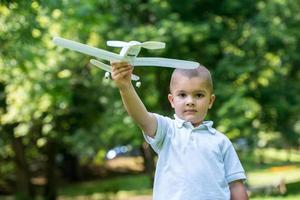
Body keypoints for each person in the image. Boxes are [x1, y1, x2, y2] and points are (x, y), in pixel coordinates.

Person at [110, 61, 248, 200]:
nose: (190, 101)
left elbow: (236, 185)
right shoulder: (167, 130)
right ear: (172, 100)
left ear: (210, 101)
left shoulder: (221, 141)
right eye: (182, 95)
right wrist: (125, 87)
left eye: (199, 95)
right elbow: (142, 117)